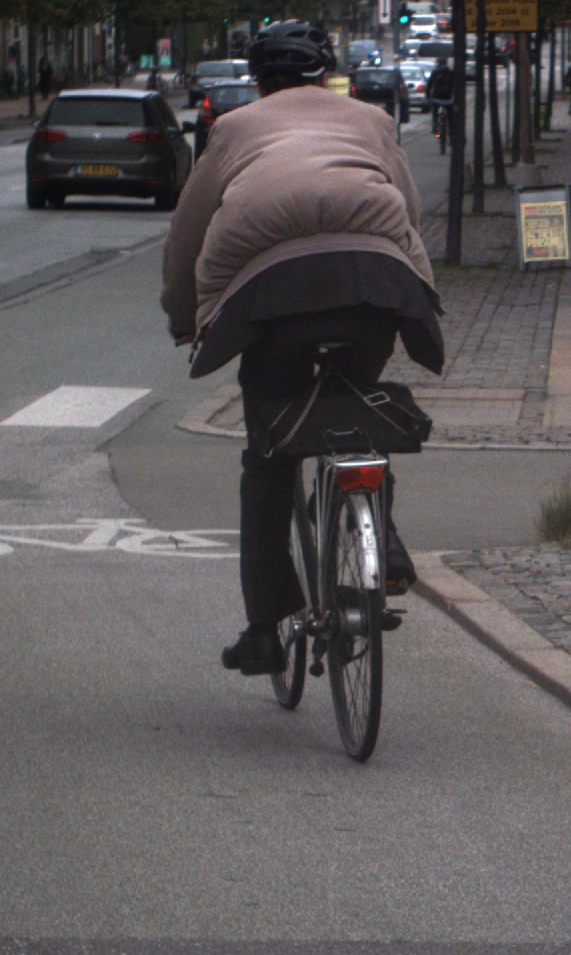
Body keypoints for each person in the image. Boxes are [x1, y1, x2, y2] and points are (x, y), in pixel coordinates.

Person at [160, 20, 443, 676]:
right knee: (357, 405)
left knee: (269, 455)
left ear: (259, 83)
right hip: (375, 284)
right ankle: (383, 541)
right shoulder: (371, 120)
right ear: (327, 74)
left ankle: (264, 629)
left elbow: (187, 235)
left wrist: (182, 318)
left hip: (274, 299)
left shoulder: (233, 129)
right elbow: (407, 209)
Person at [426, 56, 455, 143]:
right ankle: (451, 135)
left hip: (436, 98)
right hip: (448, 99)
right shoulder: (450, 72)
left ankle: (435, 125)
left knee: (435, 111)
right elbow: (454, 85)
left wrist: (428, 96)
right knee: (450, 117)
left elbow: (429, 84)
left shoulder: (435, 72)